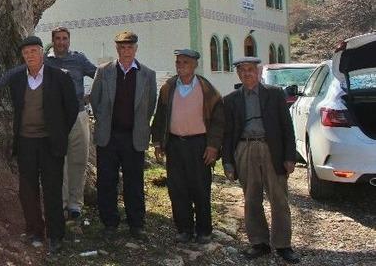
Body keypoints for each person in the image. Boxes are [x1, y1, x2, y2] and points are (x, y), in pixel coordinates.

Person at [0, 26, 96, 219]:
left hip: (78, 115)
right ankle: (61, 202)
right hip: (55, 119)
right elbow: (15, 72)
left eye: (64, 38)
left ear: (69, 40)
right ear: (52, 42)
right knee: (59, 160)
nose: (61, 42)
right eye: (57, 39)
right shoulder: (46, 61)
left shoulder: (79, 60)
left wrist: (93, 96)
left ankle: (75, 204)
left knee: (78, 159)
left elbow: (98, 76)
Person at [223, 57, 300, 263]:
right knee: (251, 198)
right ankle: (259, 243)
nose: (247, 73)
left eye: (250, 69)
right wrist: (228, 162)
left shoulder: (274, 94)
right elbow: (227, 133)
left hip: (271, 148)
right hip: (245, 148)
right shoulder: (231, 99)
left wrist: (289, 157)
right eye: (242, 70)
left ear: (258, 72)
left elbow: (287, 127)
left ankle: (283, 245)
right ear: (238, 74)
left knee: (279, 199)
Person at [5, 36, 78, 253]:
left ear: (42, 53)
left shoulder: (59, 77)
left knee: (52, 189)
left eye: (34, 52)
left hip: (50, 142)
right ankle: (35, 231)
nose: (30, 56)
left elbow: (71, 109)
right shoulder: (18, 79)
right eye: (26, 53)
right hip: (26, 142)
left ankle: (55, 235)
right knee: (27, 190)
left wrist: (59, 133)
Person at [150, 49, 224, 244]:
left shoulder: (207, 89)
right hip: (175, 144)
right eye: (178, 62)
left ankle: (204, 230)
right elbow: (160, 117)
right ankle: (184, 229)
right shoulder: (168, 87)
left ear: (194, 65)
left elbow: (218, 121)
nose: (180, 66)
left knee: (200, 188)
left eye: (185, 62)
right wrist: (158, 142)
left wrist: (213, 147)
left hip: (199, 145)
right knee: (177, 188)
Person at [88, 30, 156, 239]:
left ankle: (136, 223)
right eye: (122, 47)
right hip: (109, 136)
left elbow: (150, 105)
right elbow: (95, 100)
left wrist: (140, 125)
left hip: (133, 137)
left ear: (136, 49)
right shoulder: (104, 71)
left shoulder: (147, 74)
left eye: (130, 47)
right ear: (117, 49)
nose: (126, 51)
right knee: (107, 181)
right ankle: (110, 222)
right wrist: (104, 120)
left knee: (134, 181)